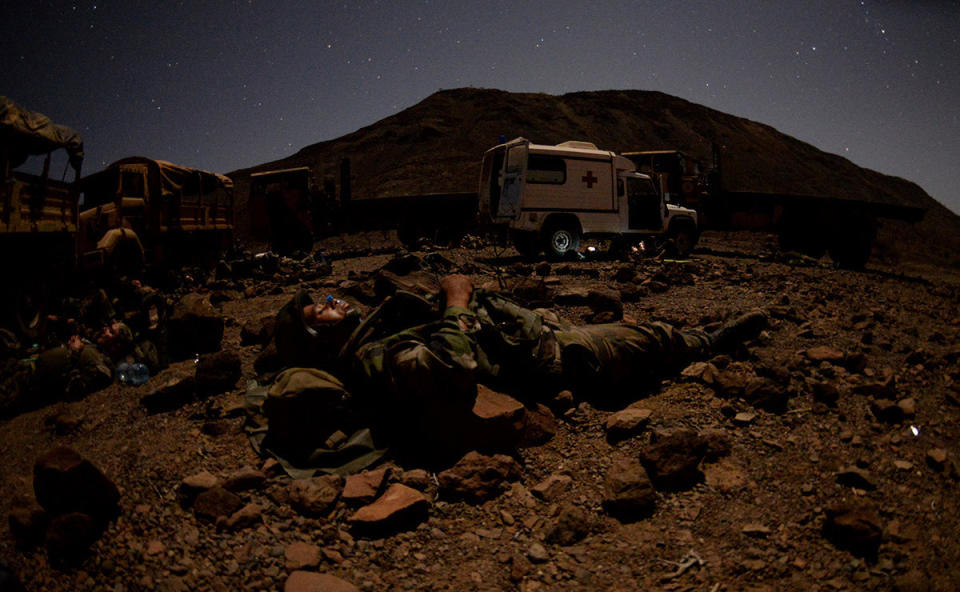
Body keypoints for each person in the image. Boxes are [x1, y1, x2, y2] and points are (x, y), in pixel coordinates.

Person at [259, 272, 767, 471]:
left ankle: (688, 340)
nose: (329, 302)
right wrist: (457, 302)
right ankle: (708, 342)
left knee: (633, 334)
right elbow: (449, 364)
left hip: (529, 334)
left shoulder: (373, 328)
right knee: (647, 339)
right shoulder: (370, 357)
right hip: (547, 358)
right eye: (317, 310)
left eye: (322, 298)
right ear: (316, 340)